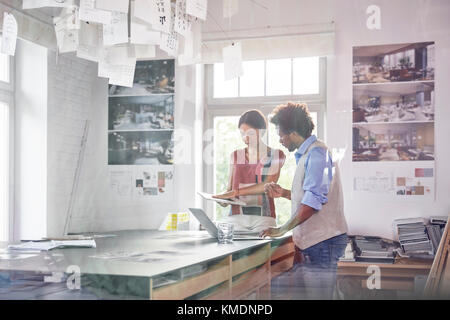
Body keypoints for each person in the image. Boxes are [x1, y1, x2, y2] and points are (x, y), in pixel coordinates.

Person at [260, 102, 348, 299]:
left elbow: (311, 203)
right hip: (314, 243)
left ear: (292, 132)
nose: (280, 140)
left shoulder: (317, 154)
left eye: (281, 135)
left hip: (321, 243)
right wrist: (283, 193)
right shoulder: (310, 154)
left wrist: (282, 229)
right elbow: (312, 196)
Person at [213, 109, 286, 231]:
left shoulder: (276, 155)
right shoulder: (236, 156)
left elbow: (267, 185)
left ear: (262, 132)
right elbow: (230, 190)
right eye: (242, 133)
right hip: (236, 218)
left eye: (250, 133)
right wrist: (222, 199)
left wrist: (235, 192)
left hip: (264, 219)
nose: (246, 138)